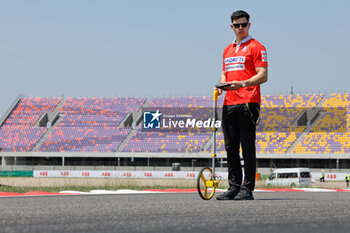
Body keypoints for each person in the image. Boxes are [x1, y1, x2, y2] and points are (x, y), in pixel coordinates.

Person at [216, 10, 268, 201]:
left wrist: (243, 84)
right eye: (237, 25)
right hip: (229, 101)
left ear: (249, 25)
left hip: (248, 101)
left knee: (247, 146)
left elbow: (263, 75)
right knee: (230, 147)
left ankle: (247, 188)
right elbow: (224, 72)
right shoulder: (227, 49)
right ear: (232, 27)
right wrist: (222, 84)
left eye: (243, 24)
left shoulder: (257, 47)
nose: (240, 28)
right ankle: (234, 186)